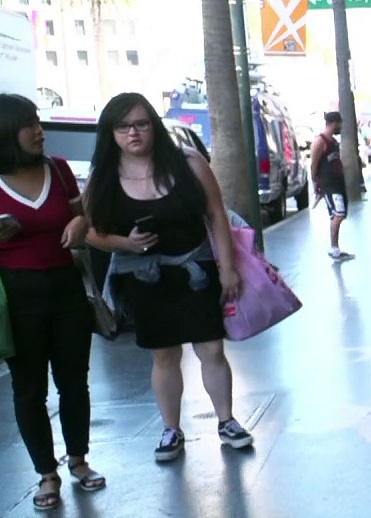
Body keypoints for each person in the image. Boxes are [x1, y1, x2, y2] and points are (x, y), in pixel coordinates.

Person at [83, 92, 253, 462]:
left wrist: (227, 270)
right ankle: (171, 429)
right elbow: (91, 231)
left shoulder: (187, 162)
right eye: (123, 126)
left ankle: (226, 421)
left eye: (141, 124)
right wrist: (125, 243)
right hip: (145, 279)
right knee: (164, 356)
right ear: (110, 133)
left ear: (154, 126)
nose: (133, 133)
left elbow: (216, 215)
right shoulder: (104, 176)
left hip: (196, 272)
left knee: (211, 349)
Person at [0, 93, 104, 510]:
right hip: (17, 295)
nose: (39, 131)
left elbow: (85, 217)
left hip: (66, 289)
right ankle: (46, 473)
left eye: (38, 121)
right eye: (29, 124)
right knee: (29, 389)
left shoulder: (58, 170)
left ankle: (78, 459)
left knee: (74, 380)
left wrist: (80, 223)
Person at [311, 111, 355, 262]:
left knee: (340, 213)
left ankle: (336, 248)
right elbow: (313, 165)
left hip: (338, 183)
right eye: (340, 123)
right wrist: (316, 184)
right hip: (328, 185)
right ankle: (334, 248)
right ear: (334, 123)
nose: (341, 126)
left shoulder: (333, 142)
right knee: (338, 214)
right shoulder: (320, 141)